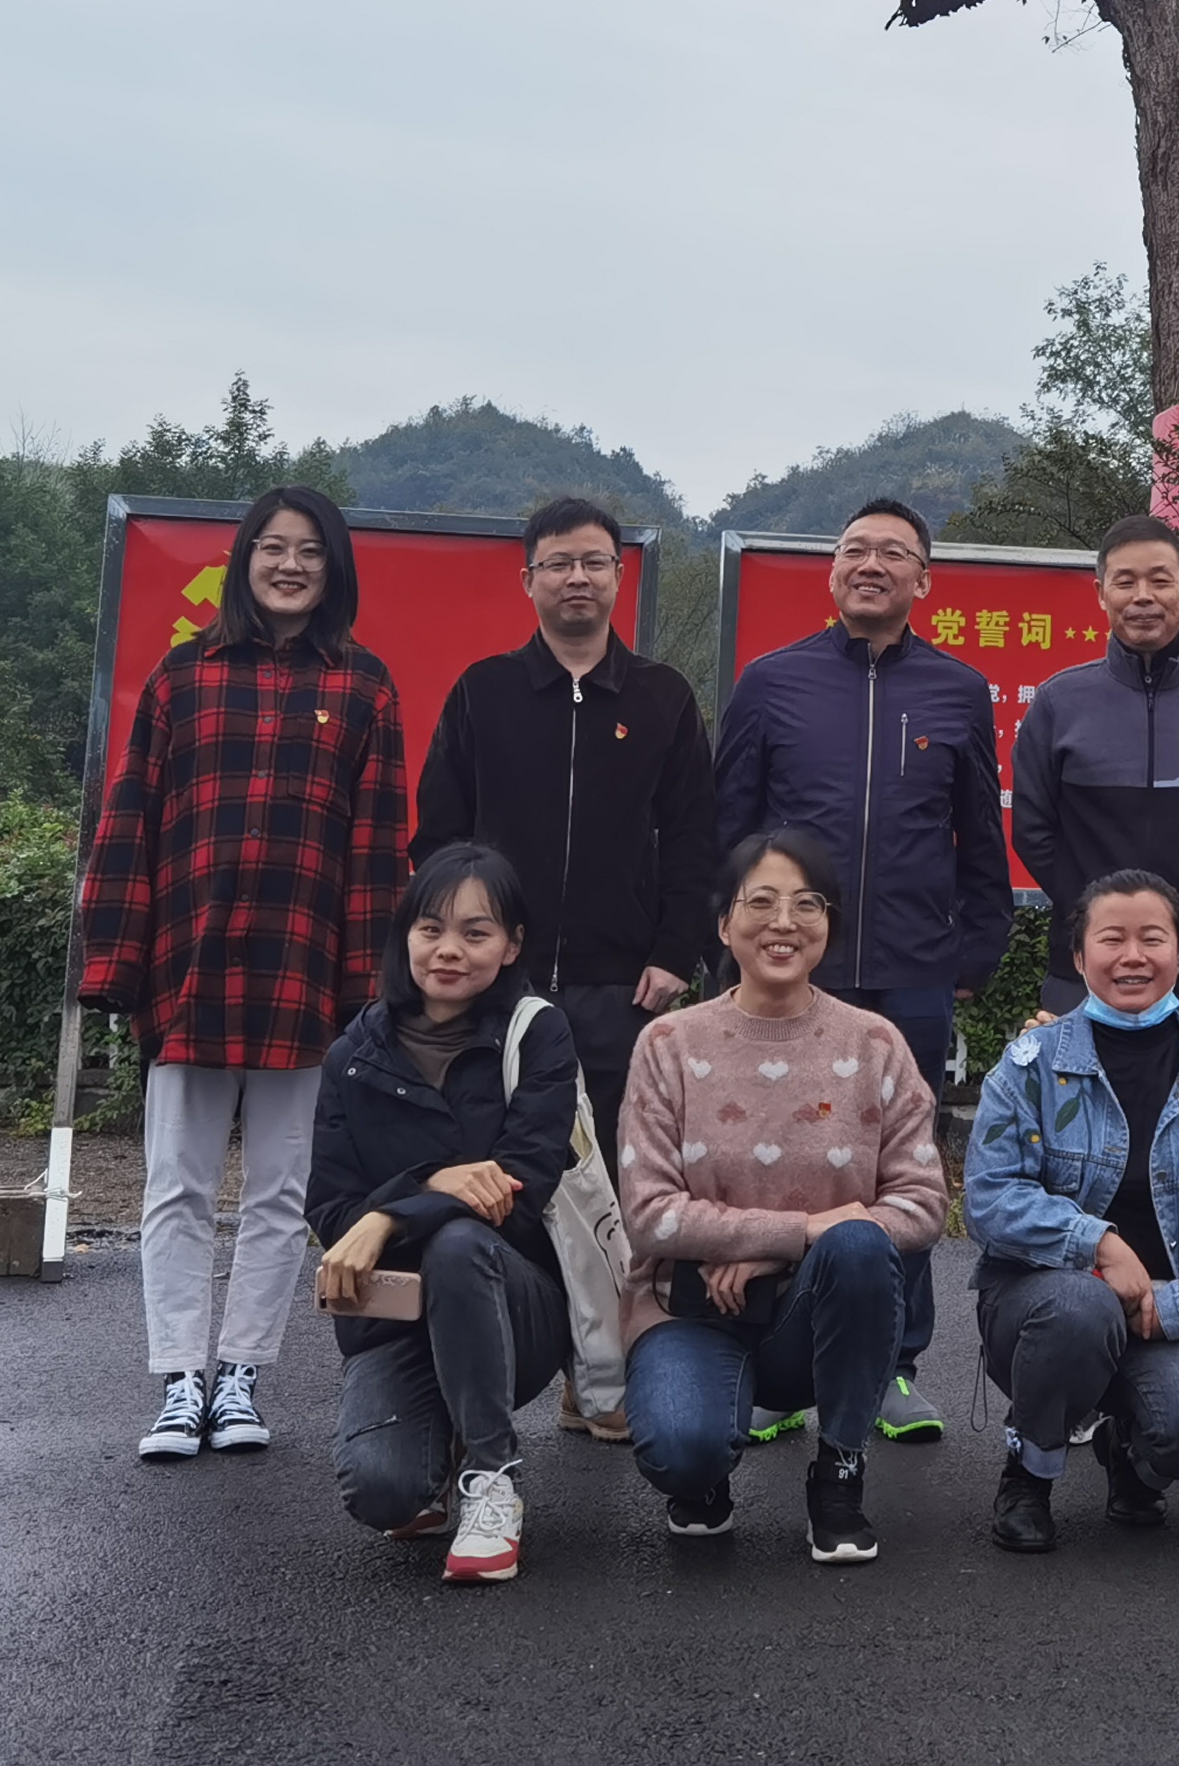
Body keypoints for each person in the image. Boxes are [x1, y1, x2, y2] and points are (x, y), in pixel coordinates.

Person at [78, 484, 408, 1466]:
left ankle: (241, 1376)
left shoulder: (365, 686)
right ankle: (179, 1378)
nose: (289, 564)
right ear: (243, 560)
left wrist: (370, 994)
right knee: (174, 1185)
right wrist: (115, 962)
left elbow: (377, 850)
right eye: (272, 546)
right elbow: (129, 823)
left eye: (309, 550)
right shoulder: (182, 676)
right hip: (187, 967)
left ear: (333, 568)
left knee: (281, 1191)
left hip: (304, 973)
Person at [408, 493, 714, 1439]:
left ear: (619, 576)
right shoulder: (485, 692)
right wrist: (462, 952)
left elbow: (694, 837)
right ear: (529, 579)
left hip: (621, 985)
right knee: (498, 1173)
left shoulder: (661, 698)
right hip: (499, 987)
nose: (577, 578)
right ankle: (480, 1367)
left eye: (593, 563)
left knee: (611, 1183)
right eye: (559, 564)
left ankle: (600, 1374)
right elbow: (439, 837)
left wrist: (674, 952)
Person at [711, 495, 1008, 1443]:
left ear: (925, 579)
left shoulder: (958, 689)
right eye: (854, 550)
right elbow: (732, 827)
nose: (871, 563)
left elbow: (980, 836)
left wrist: (975, 952)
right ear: (832, 571)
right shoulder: (772, 682)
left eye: (892, 552)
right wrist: (732, 945)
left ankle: (893, 1365)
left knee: (901, 1165)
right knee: (782, 1156)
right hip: (792, 969)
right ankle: (782, 1365)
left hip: (914, 970)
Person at [614, 830, 946, 1562]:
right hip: (691, 1310)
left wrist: (783, 1247)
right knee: (682, 1450)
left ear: (830, 922)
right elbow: (648, 1213)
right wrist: (798, 1229)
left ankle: (840, 1470)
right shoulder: (669, 1044)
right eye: (760, 902)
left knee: (858, 1244)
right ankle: (703, 1477)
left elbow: (924, 1202)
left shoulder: (874, 1044)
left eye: (807, 904)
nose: (783, 923)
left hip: (816, 1315)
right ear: (724, 924)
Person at [963, 869, 1179, 1551]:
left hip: (1168, 1307)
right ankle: (1030, 1471)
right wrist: (1097, 1244)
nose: (1132, 956)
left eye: (1152, 939)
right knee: (1082, 1307)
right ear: (1079, 956)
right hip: (1047, 1307)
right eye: (1112, 939)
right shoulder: (1030, 1065)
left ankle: (1132, 1458)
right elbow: (988, 1197)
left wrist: (1174, 1307)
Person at [307, 843, 587, 1583]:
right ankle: (442, 1446)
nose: (449, 950)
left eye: (475, 932)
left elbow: (521, 1187)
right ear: (406, 934)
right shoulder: (353, 1054)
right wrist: (432, 1181)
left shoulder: (536, 1033)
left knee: (461, 1242)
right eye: (431, 929)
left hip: (514, 1306)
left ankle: (492, 1476)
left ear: (512, 945)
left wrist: (388, 1218)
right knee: (383, 1494)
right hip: (396, 1315)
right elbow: (331, 1209)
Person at [1013, 514, 1179, 1037]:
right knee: (1076, 1092)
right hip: (1086, 970)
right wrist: (1086, 909)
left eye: (1160, 580)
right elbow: (1032, 826)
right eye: (1125, 581)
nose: (1143, 596)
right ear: (1101, 593)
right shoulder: (1060, 701)